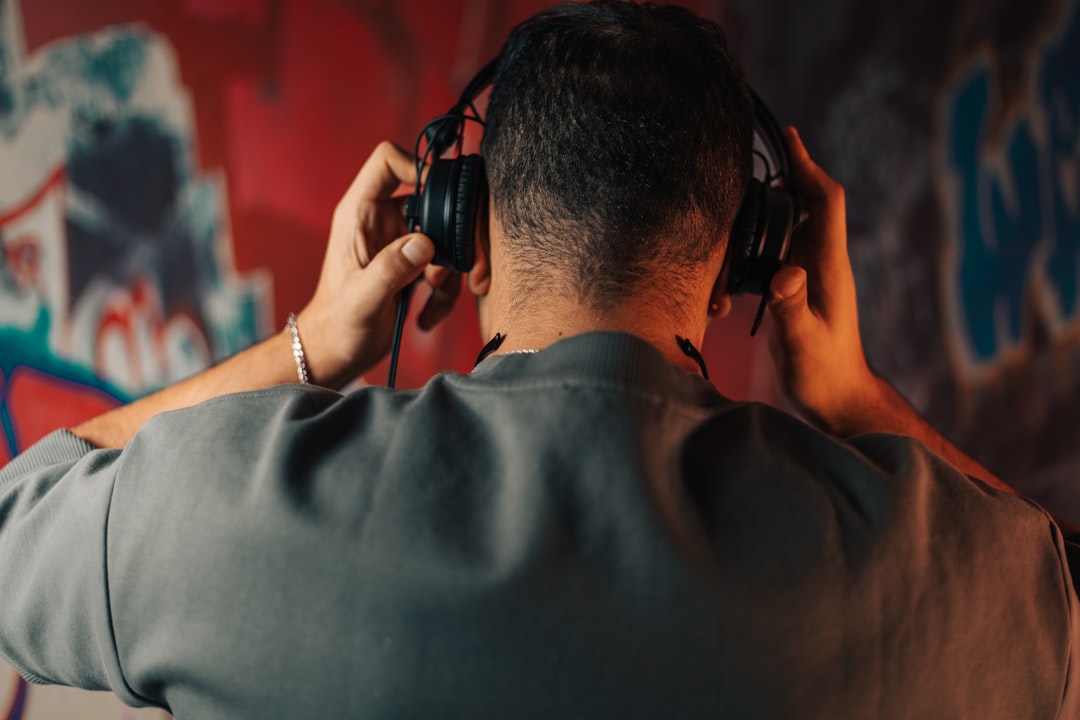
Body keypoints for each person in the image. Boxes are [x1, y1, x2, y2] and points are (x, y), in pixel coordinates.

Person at [1, 2, 1078, 718]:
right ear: (745, 260)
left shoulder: (235, 512)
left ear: (463, 231)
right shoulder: (933, 577)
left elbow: (16, 518)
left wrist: (311, 344)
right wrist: (856, 399)